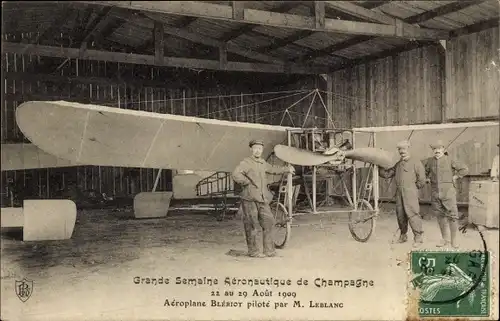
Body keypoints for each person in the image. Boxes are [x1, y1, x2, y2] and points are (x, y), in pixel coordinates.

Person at [232, 139, 295, 258]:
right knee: (251, 224)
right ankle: (254, 251)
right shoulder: (246, 162)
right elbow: (236, 174)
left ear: (262, 150)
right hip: (249, 198)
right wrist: (247, 183)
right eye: (255, 148)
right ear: (251, 149)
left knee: (269, 221)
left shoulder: (262, 163)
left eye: (260, 149)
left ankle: (269, 250)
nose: (257, 151)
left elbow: (273, 169)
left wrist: (287, 169)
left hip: (262, 198)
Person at [379, 140, 426, 246]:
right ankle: (403, 235)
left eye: (404, 149)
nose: (402, 151)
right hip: (399, 193)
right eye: (400, 150)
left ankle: (418, 238)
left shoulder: (416, 162)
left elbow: (422, 179)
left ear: (409, 149)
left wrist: (413, 188)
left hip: (410, 193)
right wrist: (379, 166)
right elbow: (387, 174)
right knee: (400, 215)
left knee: (413, 213)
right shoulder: (398, 164)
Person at [424, 140, 469, 248]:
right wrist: (427, 179)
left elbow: (464, 169)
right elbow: (425, 172)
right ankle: (445, 239)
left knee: (453, 216)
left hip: (448, 193)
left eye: (439, 148)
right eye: (434, 149)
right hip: (435, 193)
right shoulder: (430, 161)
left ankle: (454, 241)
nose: (437, 151)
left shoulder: (450, 160)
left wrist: (455, 176)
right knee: (440, 216)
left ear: (443, 149)